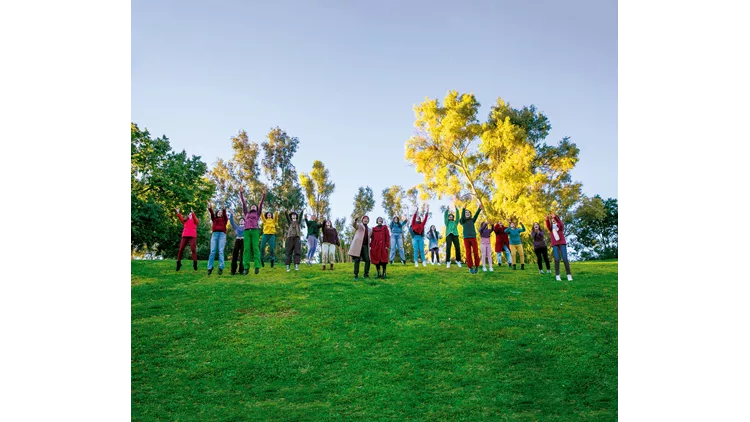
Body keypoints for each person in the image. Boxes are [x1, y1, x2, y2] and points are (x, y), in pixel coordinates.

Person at [240, 187, 266, 275]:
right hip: (246, 231)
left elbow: (261, 204)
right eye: (252, 206)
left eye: (255, 206)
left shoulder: (258, 213)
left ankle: (257, 266)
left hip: (255, 231)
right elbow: (243, 203)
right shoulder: (246, 213)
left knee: (255, 248)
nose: (253, 206)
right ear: (250, 208)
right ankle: (246, 268)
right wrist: (241, 193)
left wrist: (263, 195)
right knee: (246, 249)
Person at [545, 213, 573, 281]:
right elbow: (548, 225)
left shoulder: (560, 227)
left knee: (565, 259)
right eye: (552, 220)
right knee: (557, 259)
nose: (553, 220)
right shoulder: (551, 228)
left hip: (562, 243)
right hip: (555, 244)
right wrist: (547, 219)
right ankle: (557, 275)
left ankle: (568, 275)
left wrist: (556, 217)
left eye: (554, 219)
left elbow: (561, 224)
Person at [206, 201, 228, 275]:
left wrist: (223, 208)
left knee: (220, 251)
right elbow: (211, 213)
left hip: (222, 235)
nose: (219, 213)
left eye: (220, 212)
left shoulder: (224, 219)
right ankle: (210, 267)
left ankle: (221, 267)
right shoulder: (214, 219)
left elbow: (225, 214)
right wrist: (210, 207)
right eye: (218, 212)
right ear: (216, 213)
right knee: (212, 251)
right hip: (214, 235)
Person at [460, 203, 482, 274]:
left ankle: (477, 266)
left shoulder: (472, 220)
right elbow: (462, 217)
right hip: (466, 238)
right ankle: (470, 267)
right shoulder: (462, 220)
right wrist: (463, 209)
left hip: (473, 238)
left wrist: (479, 209)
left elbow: (476, 215)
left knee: (475, 252)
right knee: (468, 252)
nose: (467, 213)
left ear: (470, 214)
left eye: (468, 212)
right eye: (465, 212)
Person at [348, 215, 372, 279]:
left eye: (367, 219)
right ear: (362, 220)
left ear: (368, 221)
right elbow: (354, 225)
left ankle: (366, 274)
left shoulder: (370, 230)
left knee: (368, 260)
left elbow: (373, 237)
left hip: (365, 246)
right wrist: (355, 220)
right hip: (358, 245)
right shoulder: (359, 225)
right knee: (357, 260)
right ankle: (356, 275)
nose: (366, 220)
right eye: (364, 218)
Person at [174, 207, 199, 271]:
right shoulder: (185, 221)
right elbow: (180, 218)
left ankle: (195, 264)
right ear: (187, 216)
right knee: (181, 249)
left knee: (193, 249)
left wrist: (193, 213)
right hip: (185, 236)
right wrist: (178, 212)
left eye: (191, 214)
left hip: (192, 236)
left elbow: (196, 220)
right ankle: (178, 263)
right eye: (189, 214)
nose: (190, 215)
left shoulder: (195, 221)